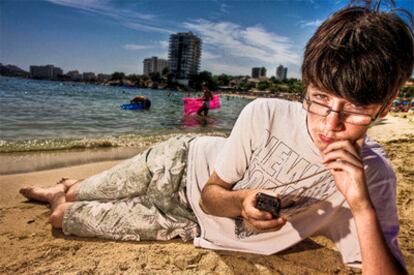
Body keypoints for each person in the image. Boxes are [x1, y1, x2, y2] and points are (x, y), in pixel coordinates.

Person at [20, 1, 413, 273]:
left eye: (356, 110)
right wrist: (242, 202)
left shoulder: (374, 176)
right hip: (176, 166)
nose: (330, 125)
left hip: (192, 223)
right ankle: (68, 186)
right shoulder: (266, 112)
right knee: (75, 195)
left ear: (388, 102)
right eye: (320, 99)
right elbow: (213, 192)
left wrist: (360, 206)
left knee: (62, 217)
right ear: (307, 84)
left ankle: (64, 194)